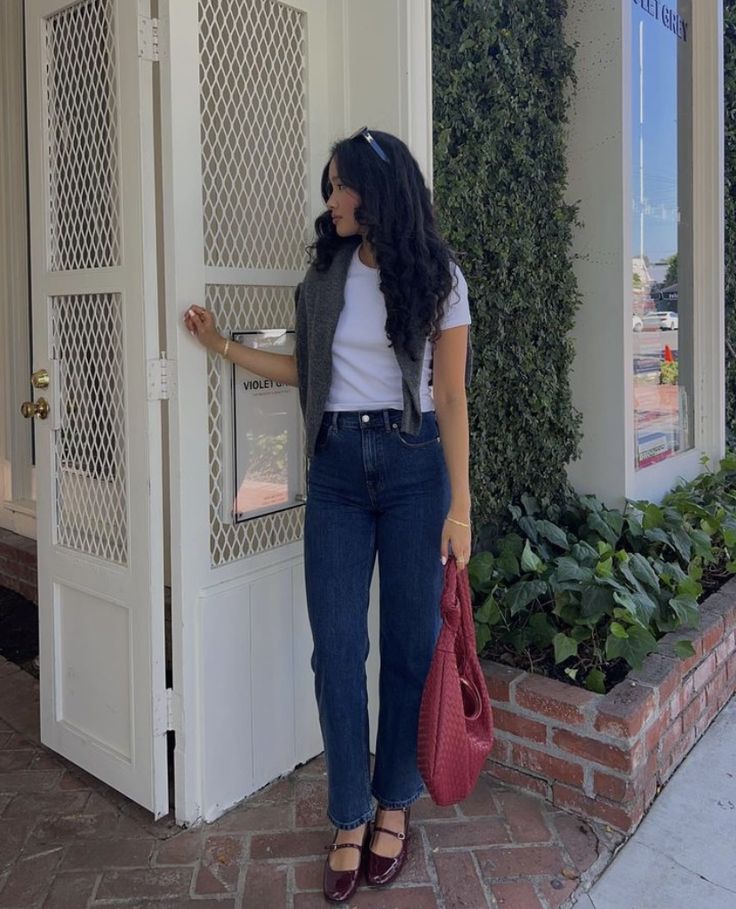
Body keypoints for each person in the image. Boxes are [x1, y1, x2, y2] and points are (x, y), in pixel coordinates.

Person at [184, 128, 472, 903]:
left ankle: (394, 803)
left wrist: (462, 506)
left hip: (416, 468)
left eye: (341, 186)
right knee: (337, 651)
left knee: (409, 646)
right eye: (330, 186)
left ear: (379, 192)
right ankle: (349, 813)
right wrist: (222, 347)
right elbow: (305, 369)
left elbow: (450, 396)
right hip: (339, 468)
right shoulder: (325, 273)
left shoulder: (440, 276)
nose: (331, 200)